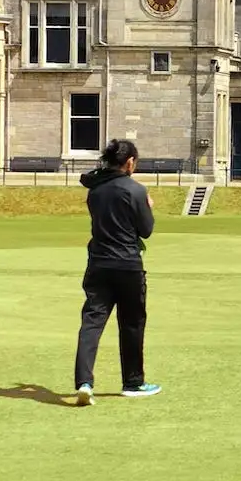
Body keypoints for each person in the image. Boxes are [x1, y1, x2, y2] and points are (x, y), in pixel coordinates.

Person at [72, 136, 159, 402]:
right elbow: (146, 230)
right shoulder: (136, 191)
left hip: (98, 263)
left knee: (92, 322)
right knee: (131, 323)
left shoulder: (95, 191)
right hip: (127, 264)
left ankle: (84, 382)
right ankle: (133, 382)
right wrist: (147, 207)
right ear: (130, 162)